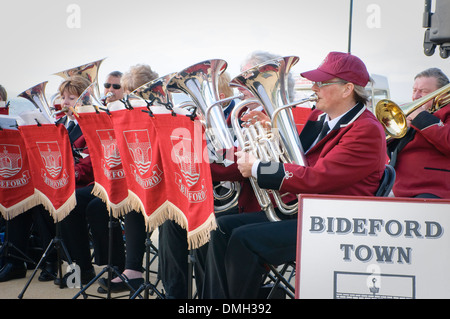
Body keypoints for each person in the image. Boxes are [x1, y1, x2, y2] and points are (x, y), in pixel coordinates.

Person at [201, 51, 387, 299]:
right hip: (308, 213)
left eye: (322, 83)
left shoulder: (366, 130)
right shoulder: (321, 118)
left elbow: (318, 178)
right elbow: (295, 158)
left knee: (244, 240)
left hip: (334, 224)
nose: (313, 87)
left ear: (347, 89)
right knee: (220, 228)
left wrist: (258, 168)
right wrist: (272, 132)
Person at [98, 63, 159, 293]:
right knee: (103, 205)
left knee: (135, 203)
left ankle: (132, 270)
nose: (130, 97)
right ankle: (122, 268)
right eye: (129, 92)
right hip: (137, 179)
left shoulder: (158, 109)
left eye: (135, 91)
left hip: (158, 181)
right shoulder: (122, 113)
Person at [387, 67, 450, 199]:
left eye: (423, 91)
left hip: (434, 191)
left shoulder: (444, 112)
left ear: (442, 94)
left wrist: (421, 118)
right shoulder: (410, 111)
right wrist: (399, 131)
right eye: (414, 90)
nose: (415, 96)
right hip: (400, 189)